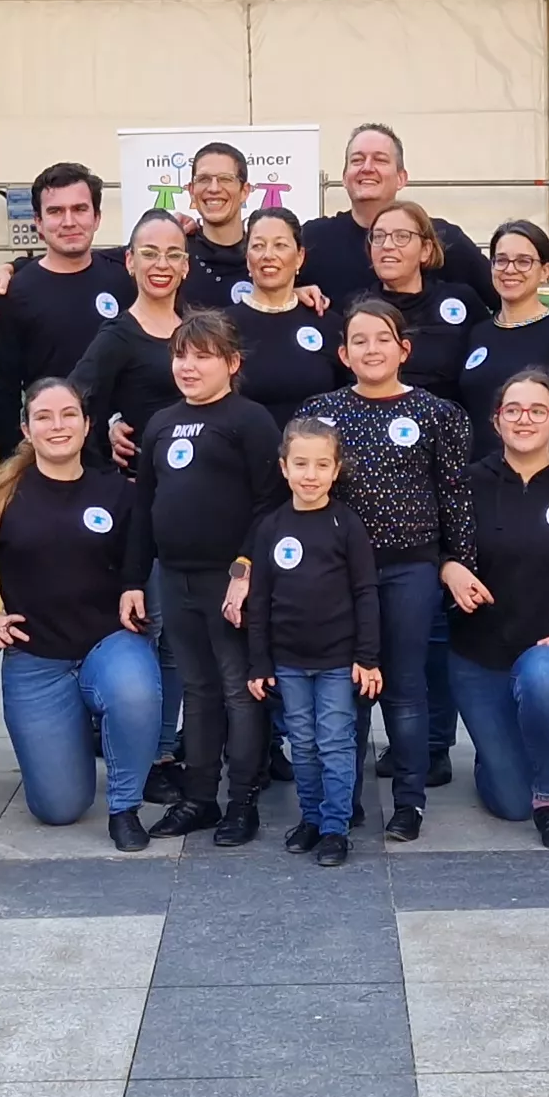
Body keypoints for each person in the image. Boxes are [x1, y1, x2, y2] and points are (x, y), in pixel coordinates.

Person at [0, 380, 161, 848]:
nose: (58, 426)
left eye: (68, 415)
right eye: (44, 417)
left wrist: (133, 589)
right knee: (59, 809)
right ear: (26, 429)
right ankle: (72, 735)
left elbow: (141, 561)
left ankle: (125, 806)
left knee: (134, 691)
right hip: (37, 660)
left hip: (107, 643)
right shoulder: (2, 495)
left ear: (87, 424)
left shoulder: (117, 492)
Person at [290, 296, 473, 838]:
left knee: (404, 687)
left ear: (404, 349)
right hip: (335, 573)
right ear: (344, 354)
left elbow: (455, 496)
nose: (372, 349)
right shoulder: (320, 413)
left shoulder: (437, 414)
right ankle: (341, 801)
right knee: (345, 690)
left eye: (383, 339)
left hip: (408, 569)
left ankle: (409, 802)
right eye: (359, 340)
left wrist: (456, 561)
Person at [430, 365, 549, 848]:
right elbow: (423, 542)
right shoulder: (465, 483)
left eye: (537, 411)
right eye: (513, 410)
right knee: (509, 802)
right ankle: (504, 748)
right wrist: (447, 567)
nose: (525, 419)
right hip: (478, 652)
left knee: (542, 682)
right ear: (496, 420)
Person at [139, 313, 279, 847]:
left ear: (232, 363)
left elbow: (270, 506)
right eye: (181, 355)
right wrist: (133, 580)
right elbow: (144, 506)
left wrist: (245, 570)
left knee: (239, 691)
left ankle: (242, 800)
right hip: (175, 578)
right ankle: (199, 797)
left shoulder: (250, 420)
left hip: (230, 581)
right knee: (197, 691)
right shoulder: (161, 422)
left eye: (203, 356)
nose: (189, 366)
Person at [241, 415, 379, 864]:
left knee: (335, 742)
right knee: (302, 743)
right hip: (288, 662)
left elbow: (365, 592)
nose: (310, 475)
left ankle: (336, 827)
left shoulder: (347, 525)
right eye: (300, 464)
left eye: (322, 465)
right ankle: (312, 818)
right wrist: (260, 662)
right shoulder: (271, 526)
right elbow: (259, 599)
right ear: (284, 467)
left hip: (338, 660)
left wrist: (367, 656)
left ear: (336, 470)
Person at [0, 163, 137, 410]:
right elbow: (5, 392)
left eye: (80, 209)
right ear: (38, 222)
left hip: (121, 432)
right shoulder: (13, 294)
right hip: (53, 431)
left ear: (97, 217)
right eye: (56, 211)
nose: (69, 222)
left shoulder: (126, 277)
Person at [301, 123, 490, 303]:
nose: (367, 168)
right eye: (357, 160)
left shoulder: (443, 238)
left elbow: (499, 296)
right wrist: (292, 295)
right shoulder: (312, 239)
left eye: (380, 160)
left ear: (401, 178)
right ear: (344, 178)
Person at [458, 221, 549, 454]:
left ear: (545, 271)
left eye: (523, 261)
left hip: (548, 472)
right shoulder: (479, 333)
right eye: (501, 260)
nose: (510, 269)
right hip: (481, 471)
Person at [68, 211, 193, 469]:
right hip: (146, 481)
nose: (162, 264)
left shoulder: (197, 330)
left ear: (185, 266)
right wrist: (107, 435)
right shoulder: (117, 336)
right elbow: (73, 398)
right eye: (149, 253)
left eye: (173, 255)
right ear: (130, 261)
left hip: (201, 476)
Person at [224, 207, 338, 418]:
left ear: (299, 257)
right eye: (258, 246)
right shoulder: (223, 327)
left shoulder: (327, 323)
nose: (268, 255)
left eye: (280, 245)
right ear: (247, 258)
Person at [363, 201, 477, 399]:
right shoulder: (354, 307)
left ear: (426, 249)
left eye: (401, 236)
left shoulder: (462, 301)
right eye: (379, 236)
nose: (387, 245)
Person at [177, 141, 258, 305]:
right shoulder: (175, 256)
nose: (214, 188)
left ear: (244, 191)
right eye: (204, 179)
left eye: (225, 179)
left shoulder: (265, 258)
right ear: (191, 191)